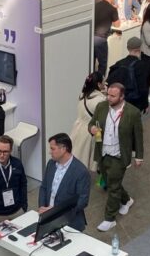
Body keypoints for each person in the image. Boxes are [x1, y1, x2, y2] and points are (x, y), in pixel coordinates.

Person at [89, 83, 144, 232]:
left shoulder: (133, 112)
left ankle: (109, 219)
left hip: (119, 155)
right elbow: (92, 123)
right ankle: (126, 200)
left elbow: (138, 136)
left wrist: (139, 156)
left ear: (122, 96)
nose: (109, 98)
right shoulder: (101, 107)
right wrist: (92, 128)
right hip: (103, 152)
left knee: (113, 188)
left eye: (113, 96)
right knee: (110, 181)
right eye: (108, 94)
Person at [38, 133, 91, 231]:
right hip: (47, 217)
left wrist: (56, 211)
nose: (50, 152)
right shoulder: (51, 164)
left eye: (52, 149)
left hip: (69, 222)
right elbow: (44, 187)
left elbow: (82, 202)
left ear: (63, 149)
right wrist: (42, 207)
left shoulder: (81, 172)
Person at [70, 72, 106, 170]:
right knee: (86, 159)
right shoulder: (101, 100)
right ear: (99, 84)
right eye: (103, 81)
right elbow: (101, 122)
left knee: (77, 155)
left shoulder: (82, 95)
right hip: (91, 132)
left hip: (77, 129)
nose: (105, 83)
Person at [107, 36, 148, 112]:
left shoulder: (119, 63)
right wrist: (145, 105)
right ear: (139, 49)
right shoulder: (140, 65)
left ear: (128, 48)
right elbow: (143, 88)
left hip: (119, 101)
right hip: (134, 103)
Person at [93, 0, 120, 76]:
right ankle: (100, 82)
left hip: (91, 37)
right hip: (101, 39)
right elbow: (117, 25)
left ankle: (90, 81)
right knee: (102, 64)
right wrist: (116, 11)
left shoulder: (95, 5)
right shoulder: (112, 9)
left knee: (91, 62)